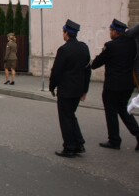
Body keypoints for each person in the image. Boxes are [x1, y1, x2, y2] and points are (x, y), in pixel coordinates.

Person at [91, 19, 139, 152]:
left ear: (116, 32)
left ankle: (114, 140)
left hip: (112, 87)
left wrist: (94, 60)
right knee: (123, 110)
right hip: (128, 85)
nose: (110, 33)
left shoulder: (111, 46)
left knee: (111, 112)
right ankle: (138, 134)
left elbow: (96, 64)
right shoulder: (132, 44)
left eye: (111, 30)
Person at [49, 19, 91, 158]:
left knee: (65, 118)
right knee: (71, 116)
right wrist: (85, 89)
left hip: (66, 90)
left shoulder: (64, 49)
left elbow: (57, 71)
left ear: (66, 33)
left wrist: (52, 86)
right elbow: (87, 70)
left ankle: (69, 147)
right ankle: (79, 143)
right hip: (78, 89)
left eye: (63, 31)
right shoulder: (84, 48)